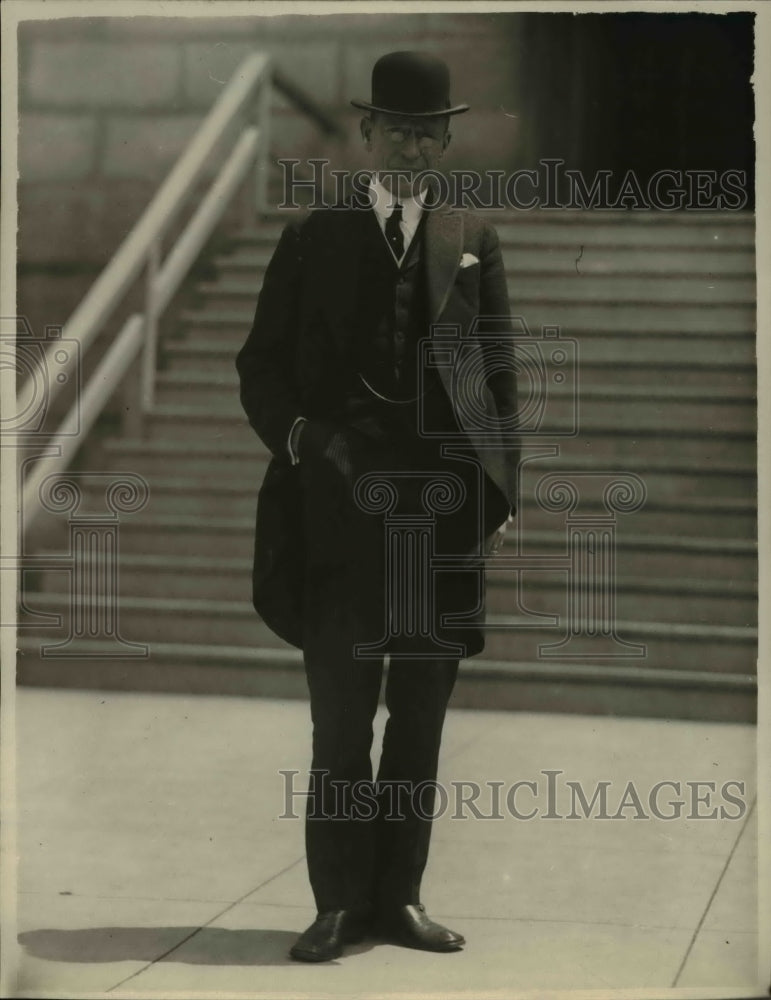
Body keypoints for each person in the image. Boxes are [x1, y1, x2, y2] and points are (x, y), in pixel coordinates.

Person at [236, 50, 519, 962]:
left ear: (442, 140)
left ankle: (397, 900)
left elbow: (500, 376)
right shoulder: (310, 238)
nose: (409, 143)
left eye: (425, 130)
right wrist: (309, 441)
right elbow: (260, 370)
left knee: (422, 716)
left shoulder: (474, 236)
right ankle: (334, 904)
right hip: (336, 516)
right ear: (365, 134)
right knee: (340, 719)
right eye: (393, 127)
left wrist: (499, 489)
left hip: (436, 521)